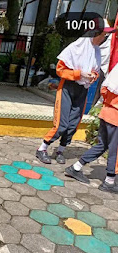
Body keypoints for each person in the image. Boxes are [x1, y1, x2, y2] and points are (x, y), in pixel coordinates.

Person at [36, 25, 116, 165]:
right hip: (68, 87)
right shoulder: (75, 48)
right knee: (62, 123)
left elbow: (96, 70)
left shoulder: (96, 51)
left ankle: (60, 150)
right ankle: (42, 148)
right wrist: (79, 74)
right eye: (102, 35)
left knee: (73, 123)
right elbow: (60, 70)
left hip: (82, 90)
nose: (104, 38)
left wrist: (93, 76)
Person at [65, 63, 118, 192]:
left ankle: (76, 167)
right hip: (116, 117)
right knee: (115, 150)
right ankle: (109, 182)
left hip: (106, 113)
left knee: (102, 145)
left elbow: (103, 89)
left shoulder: (115, 72)